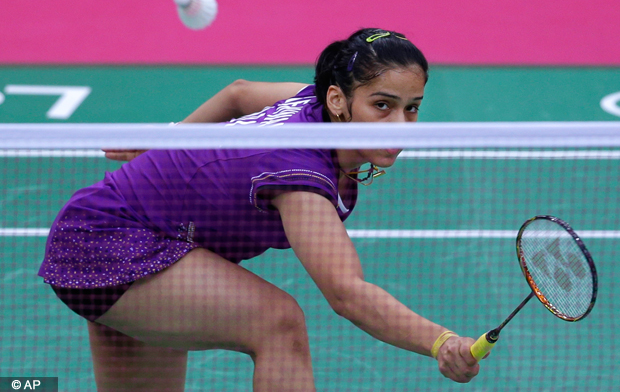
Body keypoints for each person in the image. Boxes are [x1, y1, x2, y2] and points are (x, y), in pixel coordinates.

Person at [39, 28, 482, 392]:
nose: (399, 126)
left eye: (411, 109)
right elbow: (347, 293)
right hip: (111, 243)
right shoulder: (299, 175)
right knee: (279, 324)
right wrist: (440, 341)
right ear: (338, 101)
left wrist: (169, 137)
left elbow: (238, 93)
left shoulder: (308, 102)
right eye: (381, 106)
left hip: (139, 235)